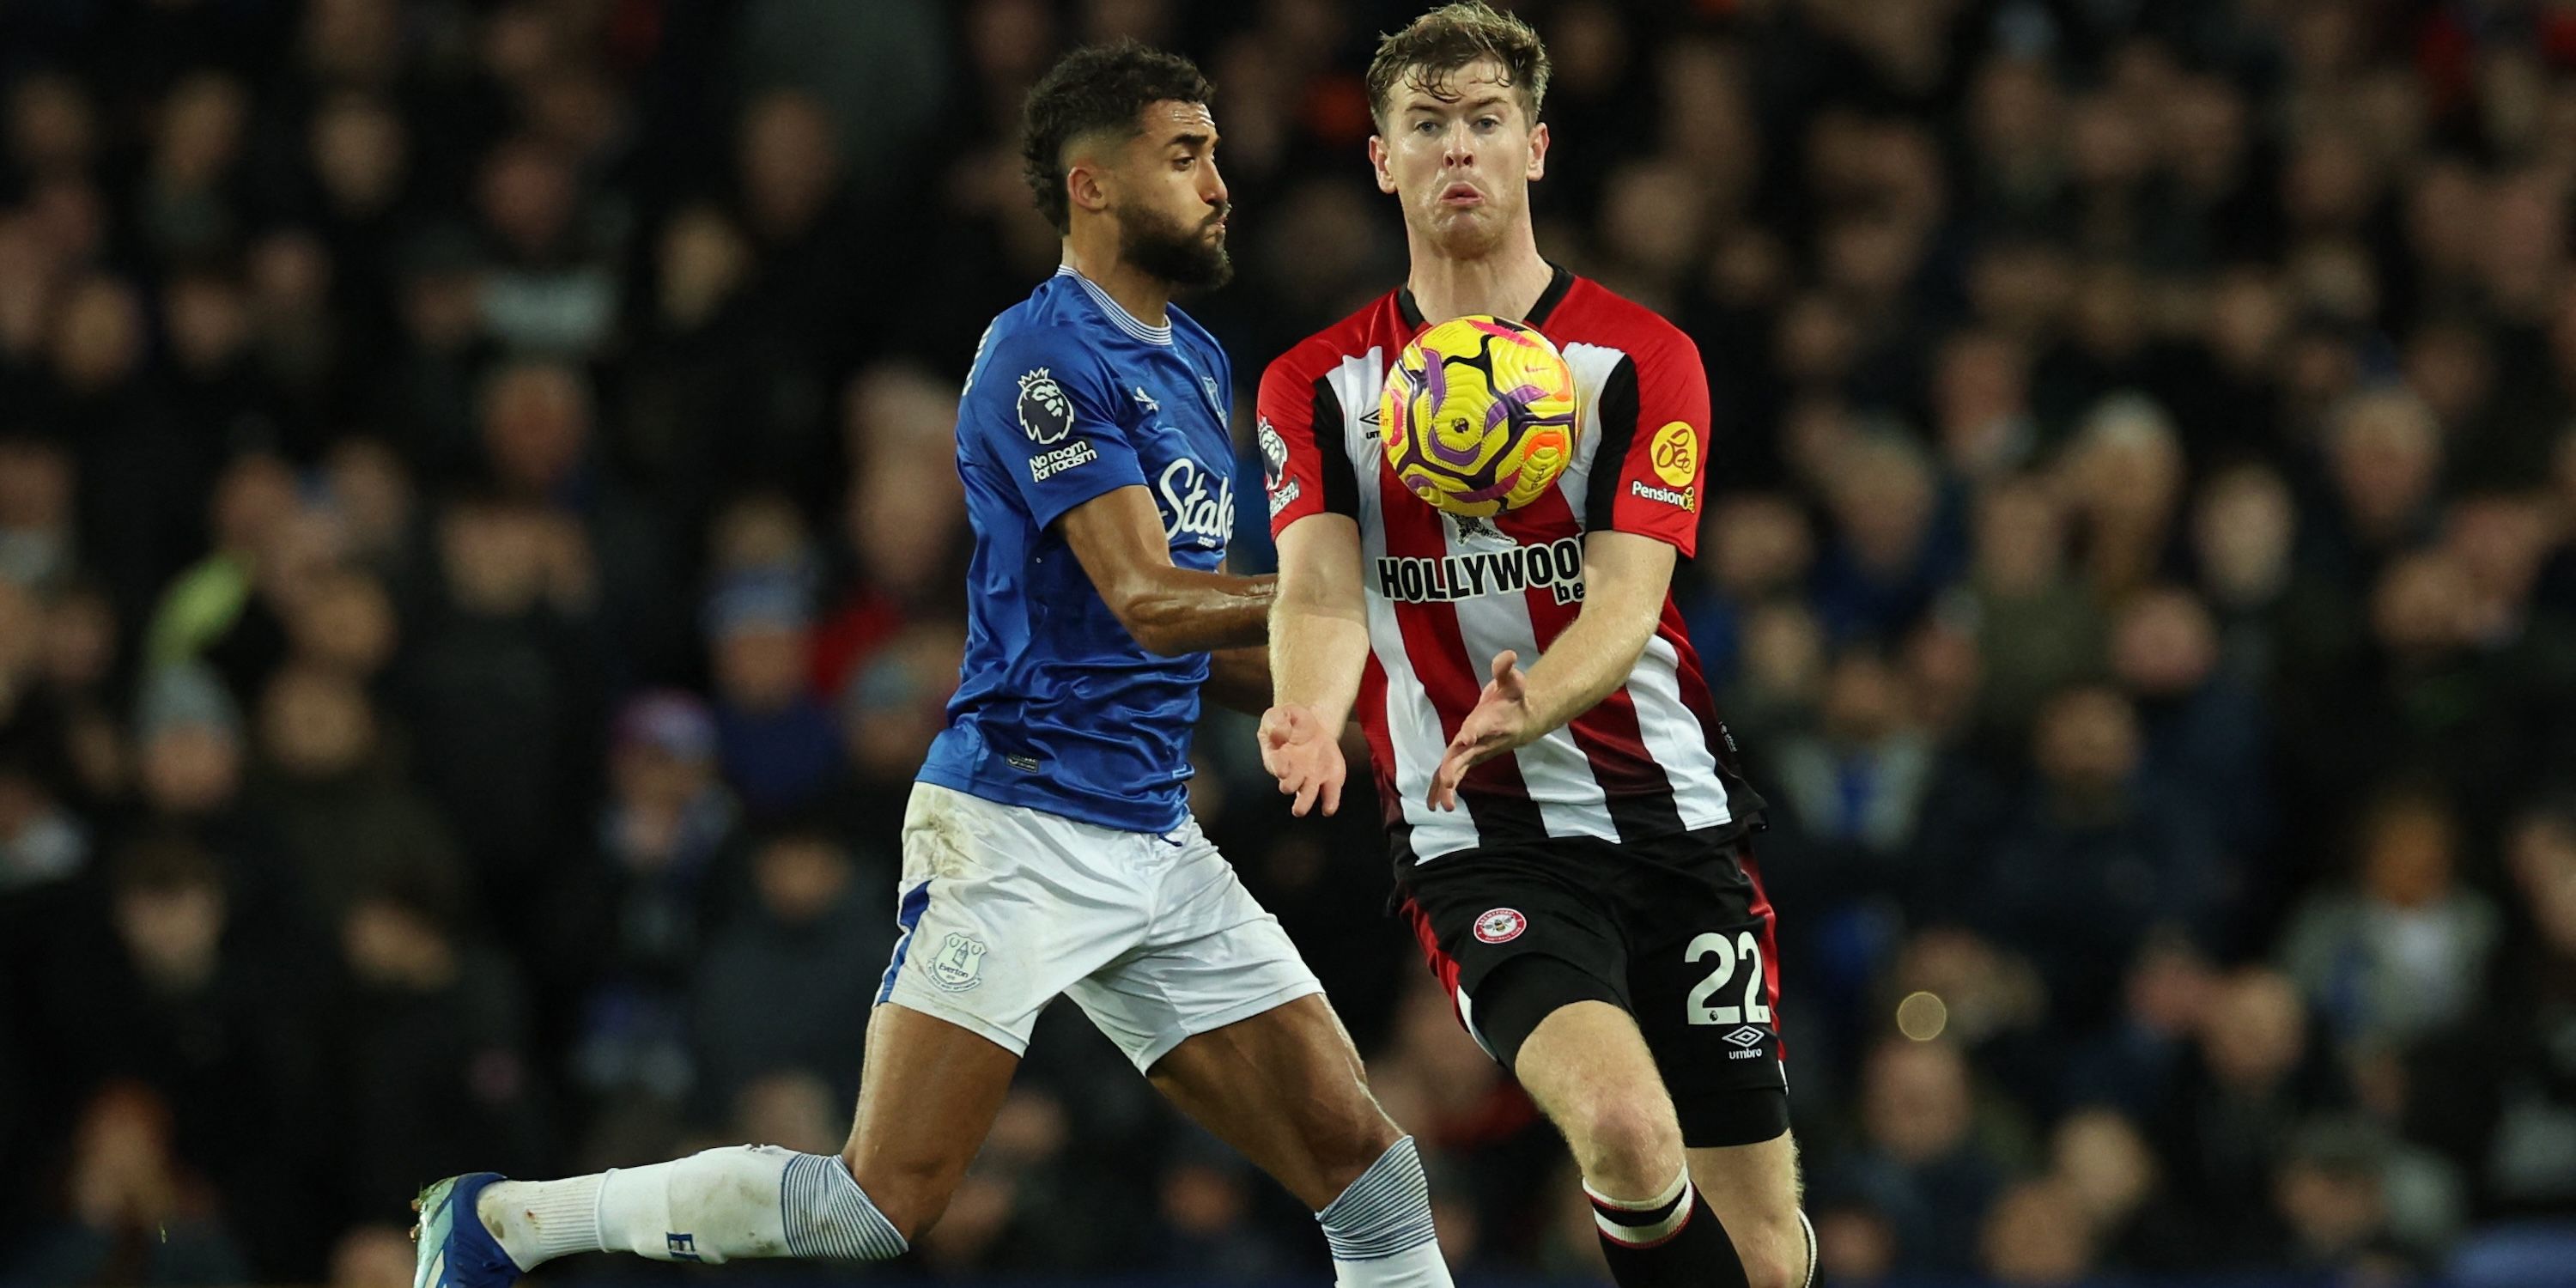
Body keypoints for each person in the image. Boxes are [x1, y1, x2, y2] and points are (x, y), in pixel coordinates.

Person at [410, 42, 1449, 1288]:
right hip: (1016, 827)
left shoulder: (1195, 362)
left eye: (1215, 151)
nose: (1222, 181)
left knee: (1375, 1180)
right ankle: (508, 1222)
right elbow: (1150, 602)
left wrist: (1363, 677)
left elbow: (1212, 640)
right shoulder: (1040, 355)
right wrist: (1361, 592)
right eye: (1187, 154)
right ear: (1094, 184)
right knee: (875, 1205)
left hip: (1152, 839)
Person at [1256, 6, 1807, 1287]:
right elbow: (1324, 596)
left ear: (1538, 149)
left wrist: (1532, 698)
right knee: (1621, 1127)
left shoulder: (1642, 359)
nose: (1460, 150)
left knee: (1768, 1260)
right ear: (1382, 160)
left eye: (1486, 122)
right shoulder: (1318, 385)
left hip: (1670, 817)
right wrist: (1303, 705)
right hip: (1478, 836)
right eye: (1428, 126)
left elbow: (1625, 605)